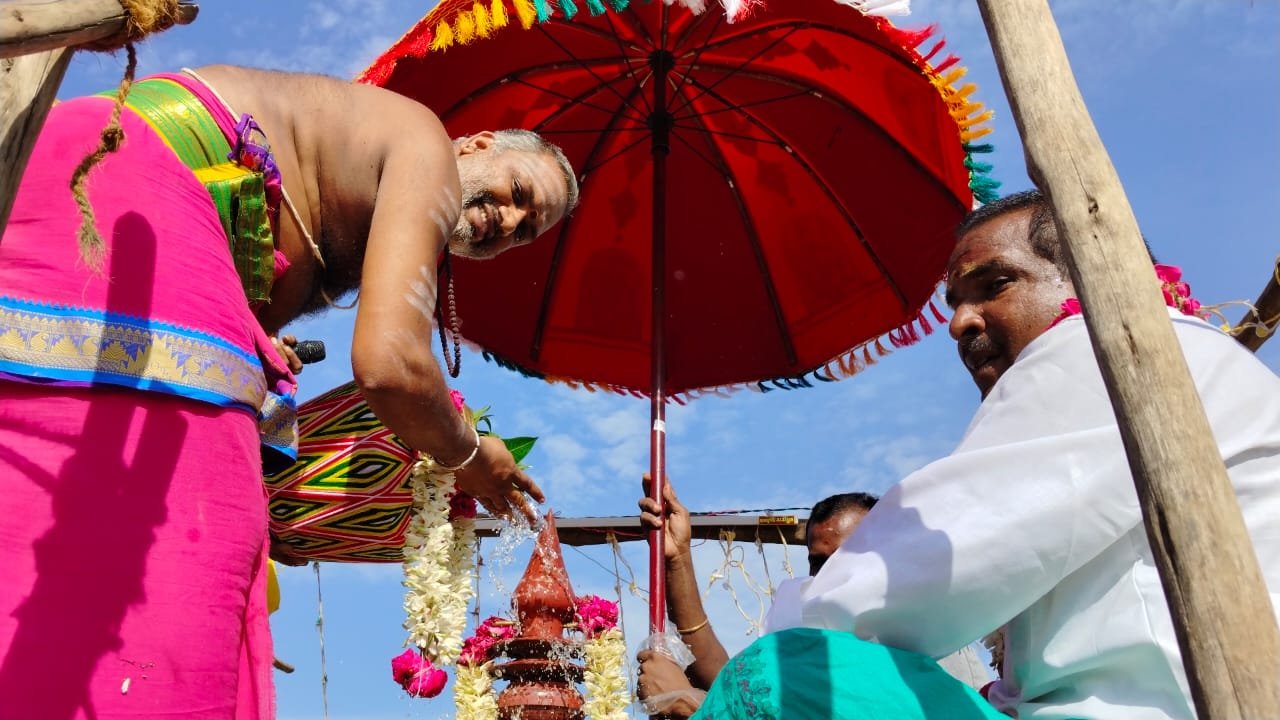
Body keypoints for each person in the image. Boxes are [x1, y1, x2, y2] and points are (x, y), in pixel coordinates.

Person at [0, 64, 577, 719]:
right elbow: (390, 365)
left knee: (69, 530)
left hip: (78, 182)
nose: (508, 220)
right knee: (195, 548)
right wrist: (472, 458)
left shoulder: (371, 204)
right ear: (474, 147)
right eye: (517, 191)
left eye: (526, 230)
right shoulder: (425, 144)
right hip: (131, 185)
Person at [698, 190, 1280, 720]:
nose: (958, 323)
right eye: (954, 300)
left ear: (1092, 272)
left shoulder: (1100, 352)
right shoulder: (1197, 356)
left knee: (784, 672)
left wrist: (756, 652)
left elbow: (884, 592)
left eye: (995, 285)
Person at [635, 479, 989, 717]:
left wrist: (688, 703)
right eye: (820, 564)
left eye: (848, 557)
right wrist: (678, 558)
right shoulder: (805, 622)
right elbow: (736, 682)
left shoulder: (927, 638)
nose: (832, 576)